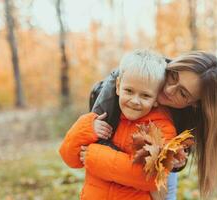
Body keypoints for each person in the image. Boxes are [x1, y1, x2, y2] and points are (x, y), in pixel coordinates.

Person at [84, 51, 217, 199]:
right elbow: (92, 145)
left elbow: (163, 170)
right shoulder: (125, 81)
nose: (169, 90)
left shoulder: (193, 115)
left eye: (183, 94)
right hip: (117, 143)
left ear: (195, 105)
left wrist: (174, 161)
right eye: (173, 77)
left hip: (154, 147)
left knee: (164, 191)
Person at [59, 49, 180, 200]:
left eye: (145, 95)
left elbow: (150, 178)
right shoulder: (104, 117)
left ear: (157, 98)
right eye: (129, 91)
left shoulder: (162, 128)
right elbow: (69, 157)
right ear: (117, 86)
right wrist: (87, 128)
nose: (135, 101)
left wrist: (94, 156)